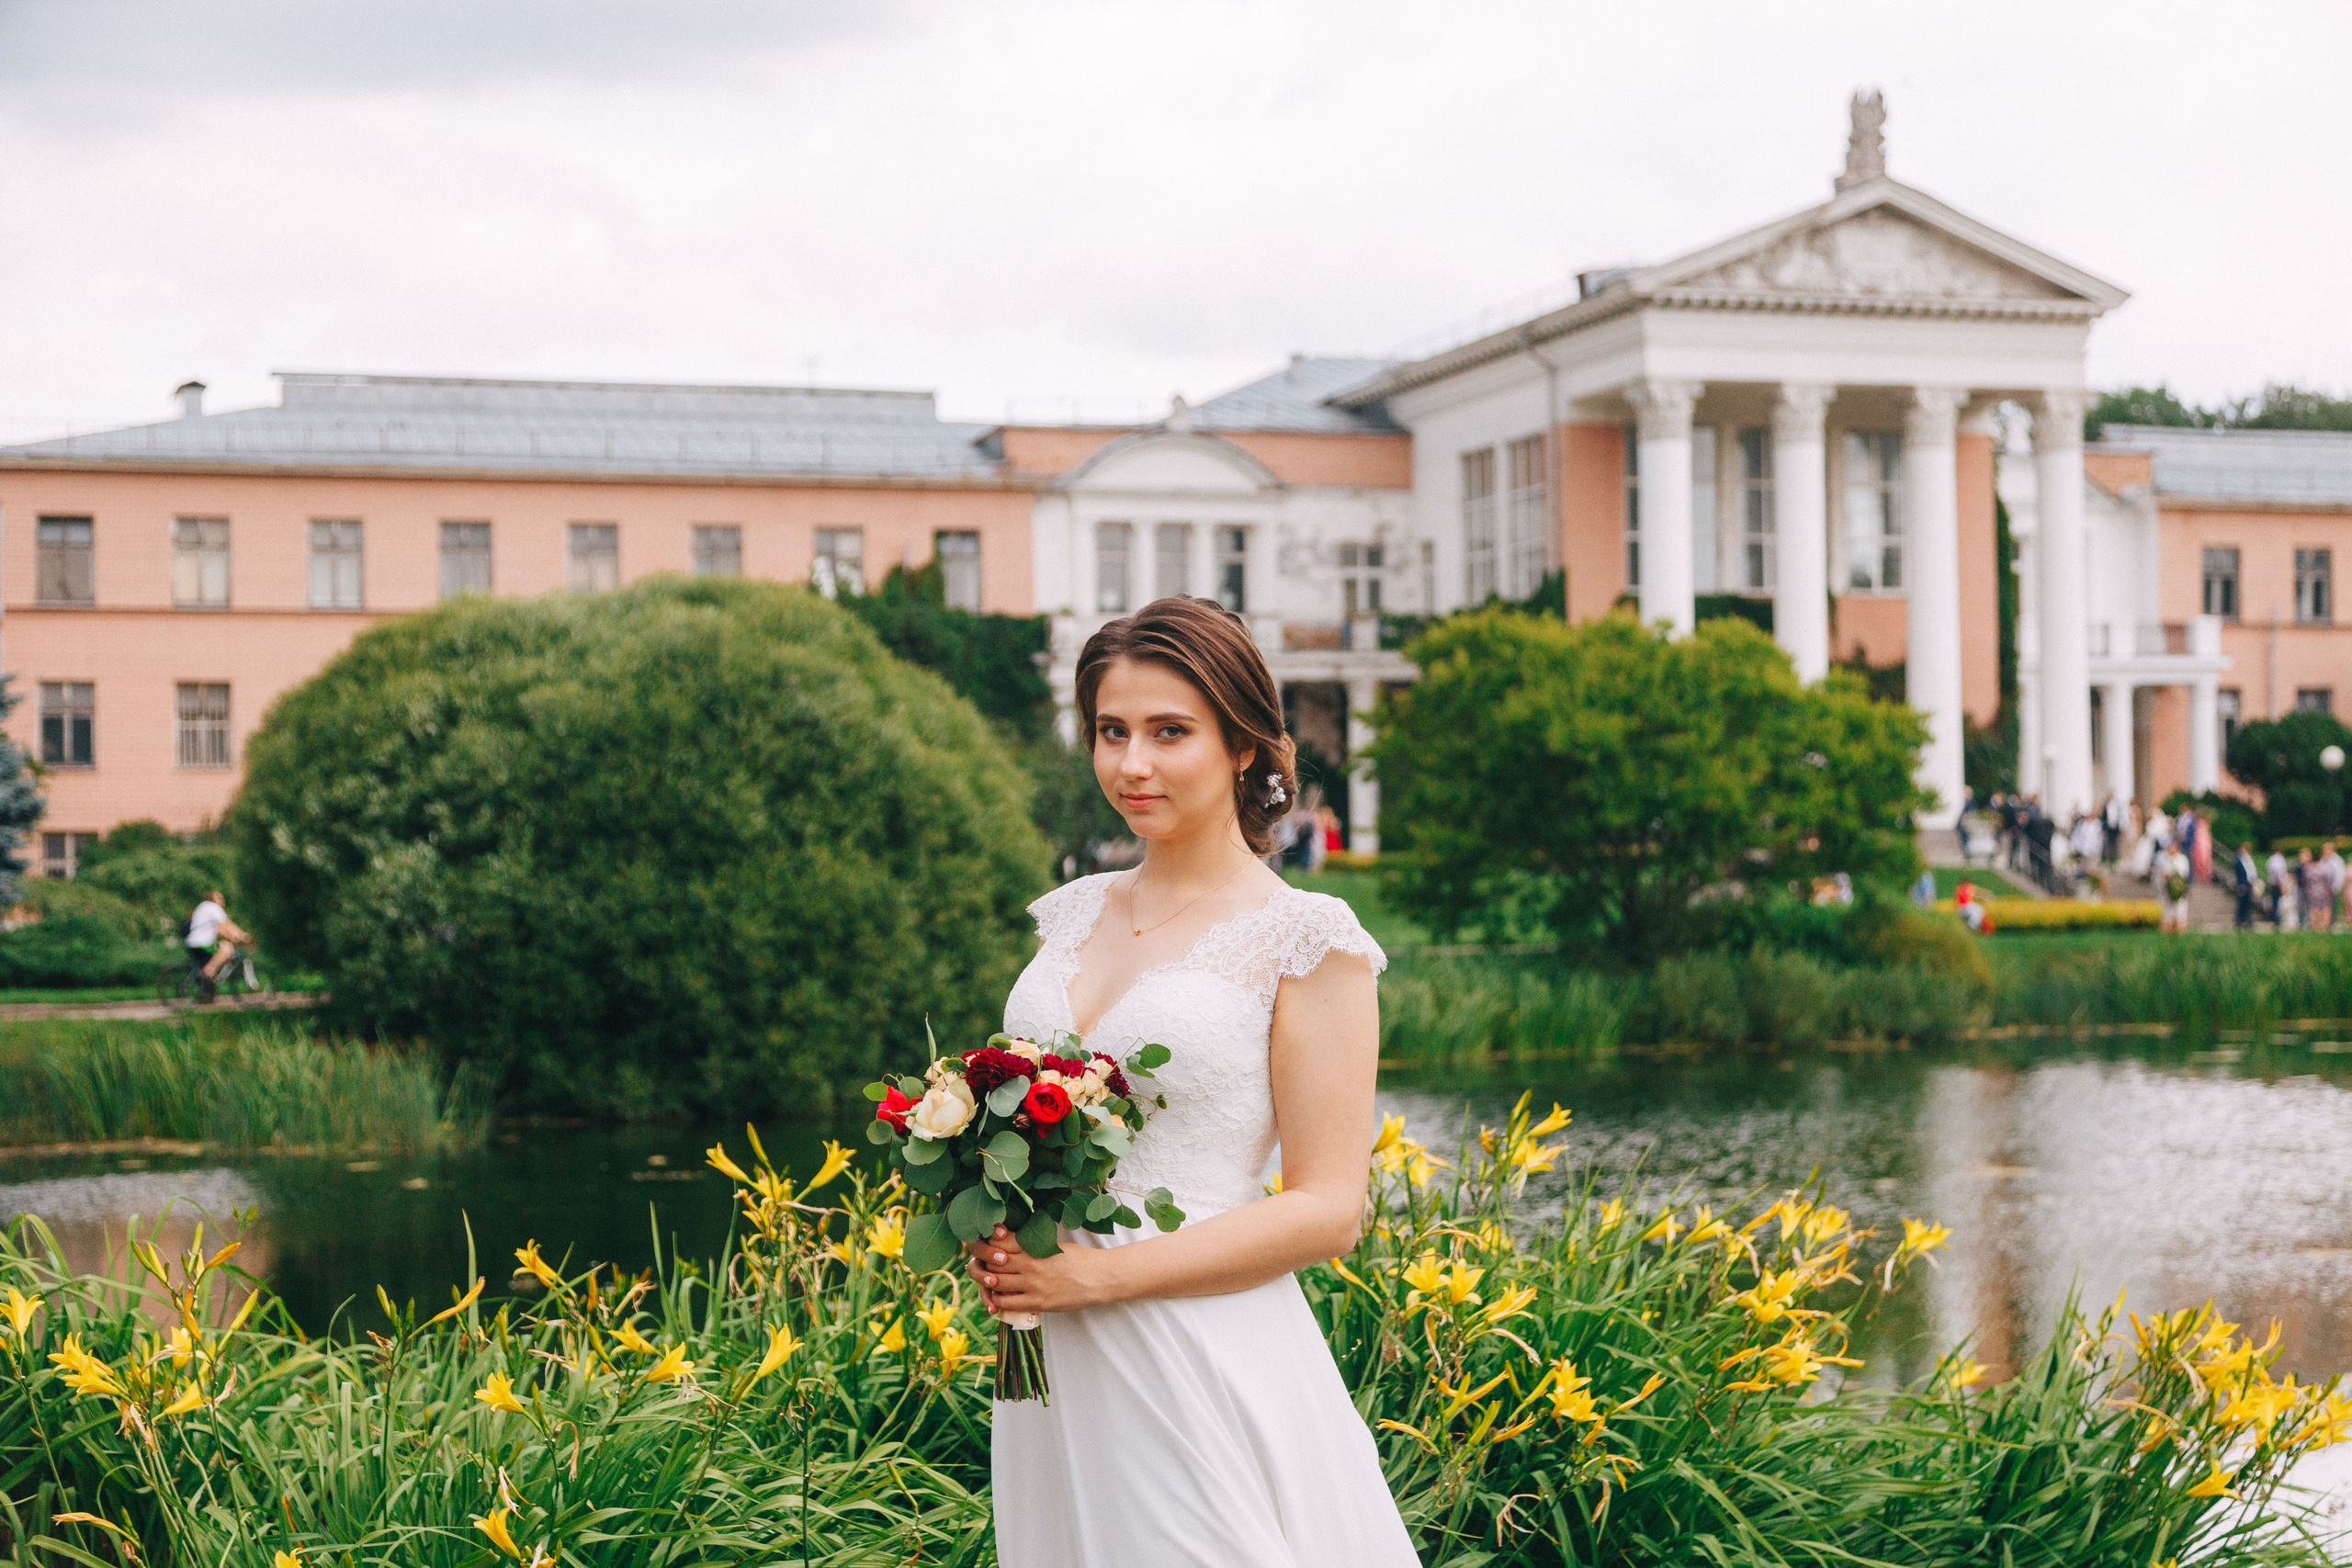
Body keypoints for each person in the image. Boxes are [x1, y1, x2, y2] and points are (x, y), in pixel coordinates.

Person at [971, 595, 1417, 1568]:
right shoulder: (1071, 913)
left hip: (1199, 1351)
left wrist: (1096, 1276)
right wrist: (995, 1222)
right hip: (1053, 1360)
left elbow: (1328, 1210)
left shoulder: (1308, 941)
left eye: (1169, 732)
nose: (1132, 764)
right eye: (1111, 731)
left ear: (1245, 746)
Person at [185, 889, 252, 996]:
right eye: (219, 898)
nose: (222, 900)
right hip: (202, 944)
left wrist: (234, 937)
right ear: (212, 899)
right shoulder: (213, 907)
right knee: (228, 949)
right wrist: (243, 936)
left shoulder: (203, 907)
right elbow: (227, 925)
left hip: (193, 944)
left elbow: (221, 930)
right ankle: (207, 972)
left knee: (220, 956)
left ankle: (208, 991)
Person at [2157, 843, 2193, 933]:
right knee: (2167, 914)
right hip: (2168, 891)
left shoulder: (2182, 859)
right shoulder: (2165, 859)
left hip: (2179, 890)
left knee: (2180, 914)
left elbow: (2183, 874)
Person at [2233, 842, 2261, 931]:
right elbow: (2239, 874)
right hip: (2243, 884)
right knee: (2242, 904)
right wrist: (2241, 884)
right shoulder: (2239, 861)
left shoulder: (2248, 859)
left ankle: (2247, 921)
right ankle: (2240, 921)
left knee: (2248, 904)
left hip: (2249, 883)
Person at [2267, 843, 2292, 928]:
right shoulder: (2279, 860)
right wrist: (2282, 885)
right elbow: (2279, 873)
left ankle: (2275, 920)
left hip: (2273, 883)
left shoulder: (2271, 859)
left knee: (2275, 902)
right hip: (2279, 884)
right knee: (2278, 903)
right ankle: (2277, 920)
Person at [2324, 841, 2346, 932]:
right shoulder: (2325, 859)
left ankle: (2333, 922)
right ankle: (2328, 922)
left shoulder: (2337, 860)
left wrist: (2336, 886)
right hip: (2325, 888)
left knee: (2334, 905)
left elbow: (2340, 874)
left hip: (2334, 887)